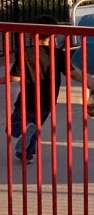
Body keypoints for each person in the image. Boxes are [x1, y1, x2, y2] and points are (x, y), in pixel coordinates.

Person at [7, 15, 66, 162]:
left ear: (30, 33)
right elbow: (73, 73)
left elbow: (15, 77)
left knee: (14, 124)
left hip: (27, 99)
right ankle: (26, 154)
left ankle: (21, 130)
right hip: (48, 100)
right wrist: (89, 80)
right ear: (55, 34)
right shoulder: (58, 54)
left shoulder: (25, 52)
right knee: (35, 128)